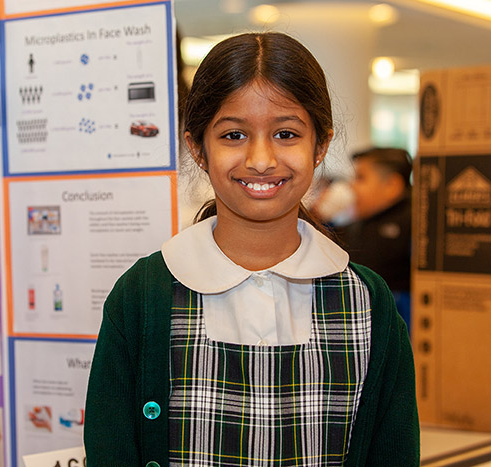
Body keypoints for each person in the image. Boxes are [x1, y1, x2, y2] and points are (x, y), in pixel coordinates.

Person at [84, 32, 419, 466]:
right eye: (234, 135)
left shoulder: (367, 304)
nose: (261, 159)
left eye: (285, 133)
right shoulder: (141, 297)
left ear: (320, 146)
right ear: (197, 148)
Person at [339, 147, 413, 329]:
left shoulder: (414, 224)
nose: (351, 186)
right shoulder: (362, 223)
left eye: (361, 178)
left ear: (392, 185)